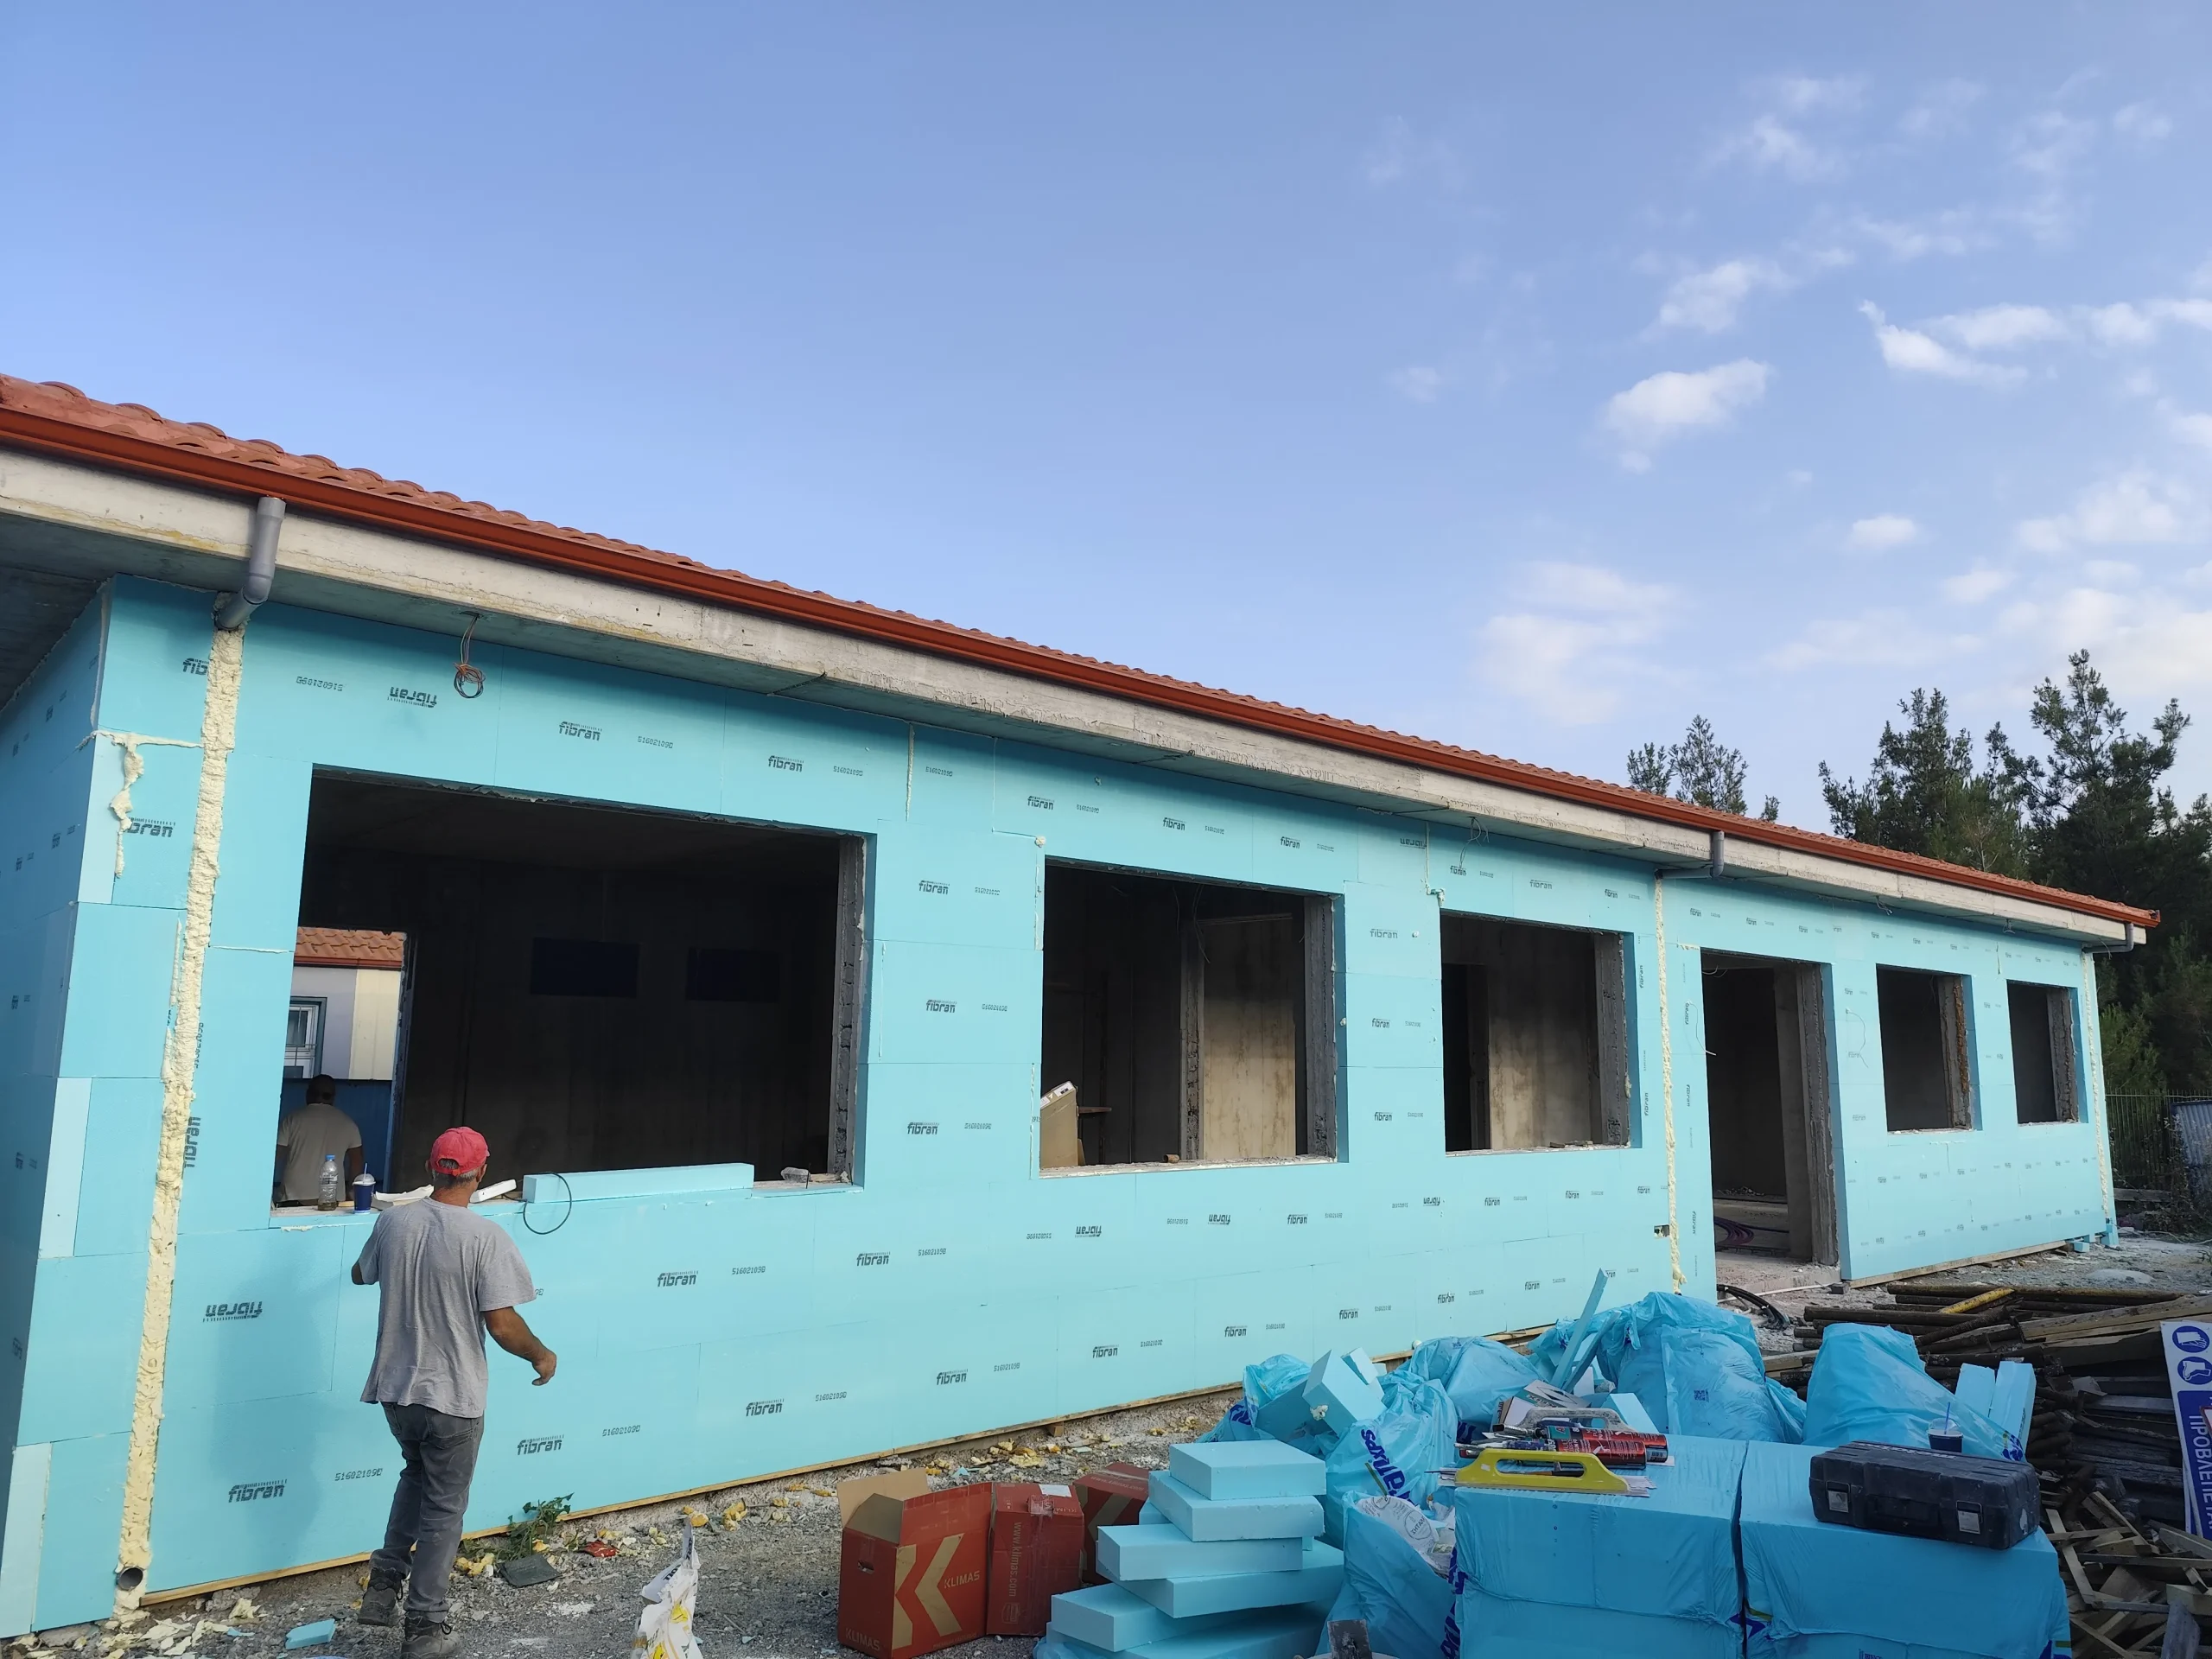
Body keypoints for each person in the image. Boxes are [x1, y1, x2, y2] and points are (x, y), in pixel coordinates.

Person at [352, 1128, 556, 1658]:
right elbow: (503, 1325)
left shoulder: (393, 1222)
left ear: (431, 1166)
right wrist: (541, 1354)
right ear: (481, 1173)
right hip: (452, 1397)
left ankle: (383, 1585)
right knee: (443, 1510)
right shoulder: (485, 1237)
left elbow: (359, 1274)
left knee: (415, 1476)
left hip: (396, 1390)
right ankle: (425, 1627)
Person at [275, 1074, 365, 1205]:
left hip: (293, 1196)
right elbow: (357, 1161)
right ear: (333, 1096)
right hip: (332, 1199)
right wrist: (351, 1192)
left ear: (308, 1094)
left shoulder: (292, 1120)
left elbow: (276, 1155)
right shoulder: (348, 1123)